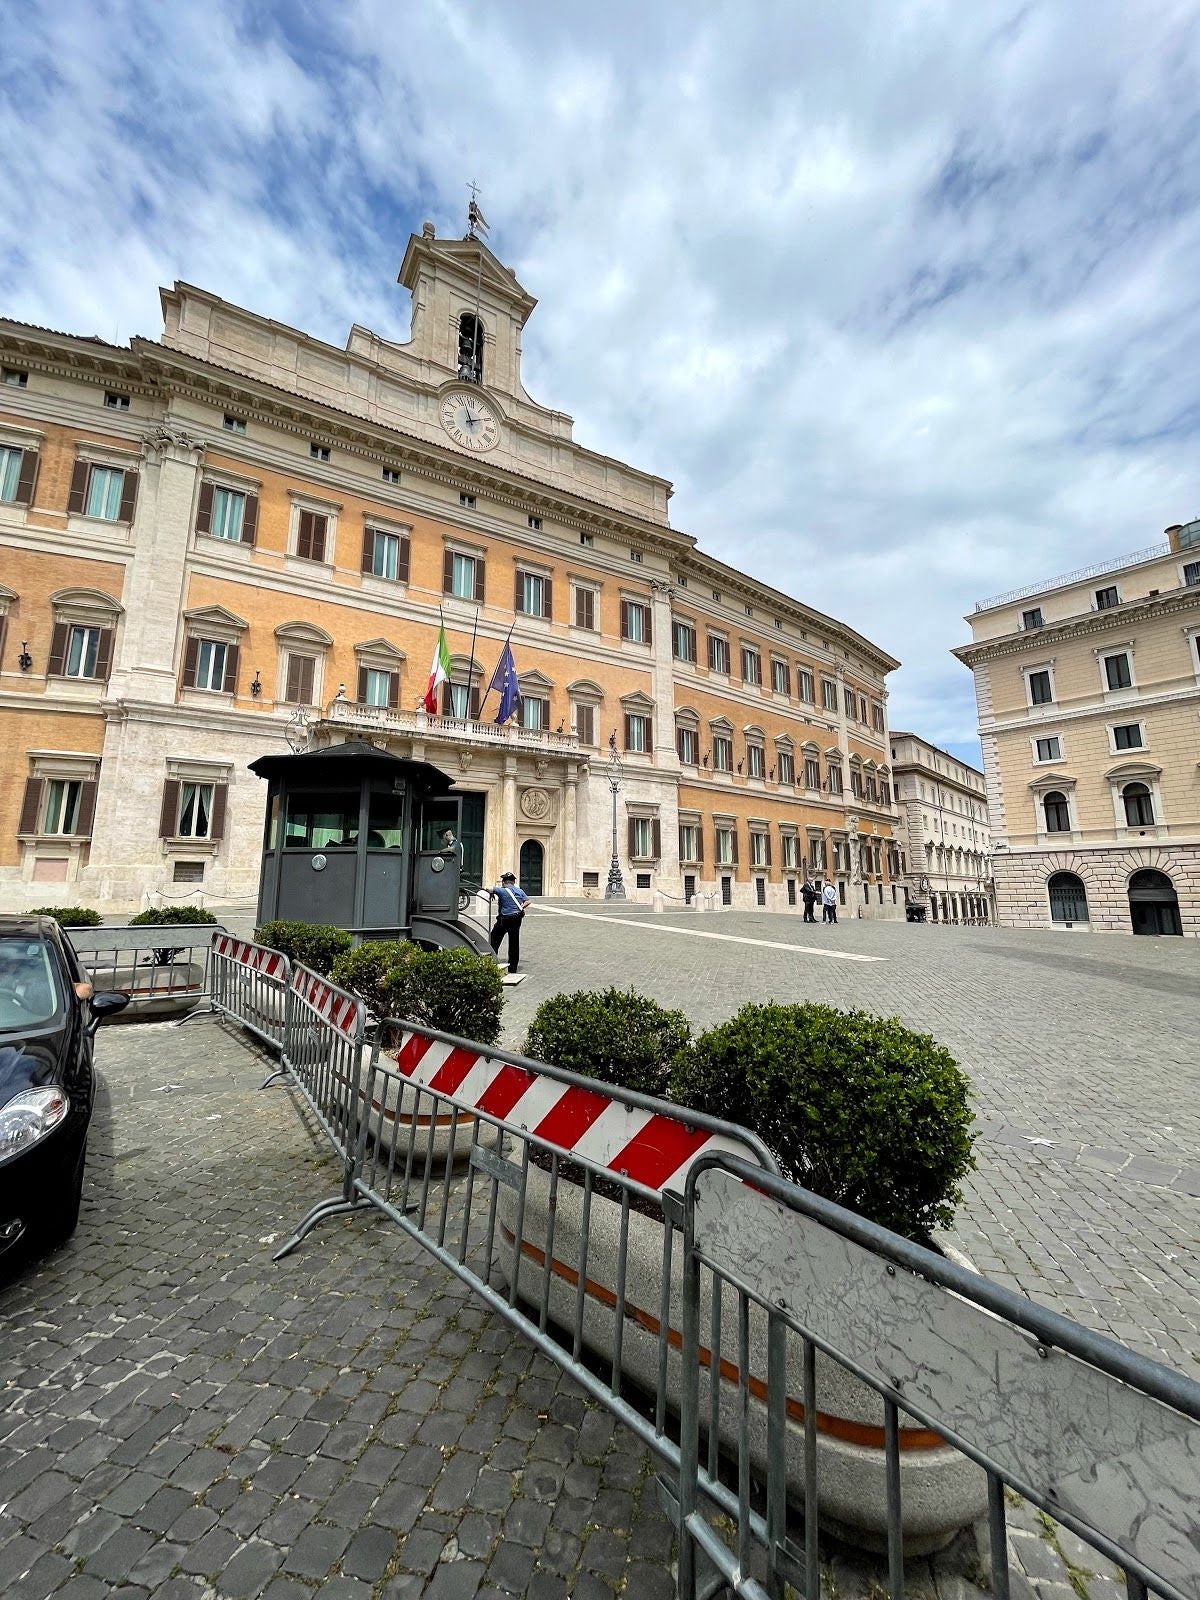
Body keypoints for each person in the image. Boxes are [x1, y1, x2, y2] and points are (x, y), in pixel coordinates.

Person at [488, 871, 530, 973]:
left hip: (505, 919)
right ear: (513, 881)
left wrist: (493, 892)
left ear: (504, 882)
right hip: (516, 918)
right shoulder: (519, 891)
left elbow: (488, 888)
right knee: (514, 942)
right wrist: (520, 907)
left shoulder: (502, 890)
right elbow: (528, 901)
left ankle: (491, 960)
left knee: (494, 937)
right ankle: (513, 967)